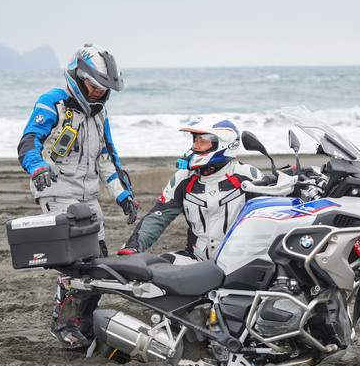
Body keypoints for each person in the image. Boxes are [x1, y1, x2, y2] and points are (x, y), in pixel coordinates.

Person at [17, 44, 138, 347]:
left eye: (103, 88)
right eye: (93, 86)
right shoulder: (52, 103)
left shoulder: (100, 114)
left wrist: (123, 195)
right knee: (78, 263)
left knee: (99, 264)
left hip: (88, 196)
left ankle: (83, 323)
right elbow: (28, 142)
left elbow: (107, 158)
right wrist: (38, 168)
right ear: (77, 76)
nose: (98, 92)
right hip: (56, 191)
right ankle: (63, 322)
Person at [118, 115, 262, 263]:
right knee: (156, 268)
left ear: (224, 144)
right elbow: (159, 217)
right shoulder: (183, 178)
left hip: (240, 260)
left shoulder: (248, 175)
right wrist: (133, 246)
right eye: (195, 140)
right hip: (196, 259)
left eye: (202, 141)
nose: (195, 146)